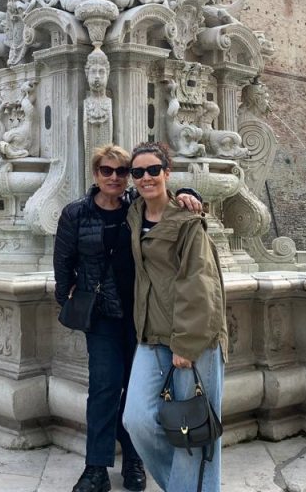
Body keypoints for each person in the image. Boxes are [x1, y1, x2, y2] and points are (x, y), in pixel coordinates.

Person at [54, 144, 202, 492]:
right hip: (102, 316)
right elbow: (63, 264)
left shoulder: (136, 207)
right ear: (96, 174)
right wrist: (70, 300)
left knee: (137, 391)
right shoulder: (76, 214)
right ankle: (95, 468)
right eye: (107, 171)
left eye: (123, 172)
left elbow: (164, 202)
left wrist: (189, 192)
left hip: (141, 314)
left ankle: (135, 459)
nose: (115, 177)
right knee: (104, 387)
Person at [122, 142, 227, 492]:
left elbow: (201, 283)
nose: (146, 177)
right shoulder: (134, 214)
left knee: (195, 431)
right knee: (137, 420)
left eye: (154, 170)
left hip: (193, 340)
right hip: (151, 335)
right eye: (138, 172)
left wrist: (187, 344)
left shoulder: (187, 221)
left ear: (168, 173)